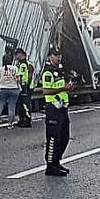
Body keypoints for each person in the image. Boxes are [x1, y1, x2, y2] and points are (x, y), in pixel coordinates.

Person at [42, 46, 73, 177]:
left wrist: (69, 87)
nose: (59, 57)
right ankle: (50, 166)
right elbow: (46, 91)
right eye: (55, 55)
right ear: (50, 57)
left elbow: (63, 87)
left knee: (64, 137)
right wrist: (63, 88)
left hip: (63, 108)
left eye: (59, 54)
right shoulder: (48, 72)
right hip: (53, 109)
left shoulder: (60, 71)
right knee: (53, 138)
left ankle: (56, 161)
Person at [0, 54, 21, 128]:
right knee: (12, 106)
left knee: (0, 106)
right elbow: (18, 80)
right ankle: (10, 124)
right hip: (14, 89)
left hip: (3, 89)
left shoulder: (0, 69)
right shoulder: (15, 68)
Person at [14, 48, 35, 128]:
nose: (15, 56)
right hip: (22, 86)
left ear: (21, 54)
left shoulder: (25, 64)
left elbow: (26, 76)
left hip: (26, 87)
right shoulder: (20, 64)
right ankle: (22, 119)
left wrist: (25, 86)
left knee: (25, 103)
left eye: (17, 54)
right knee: (21, 104)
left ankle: (27, 120)